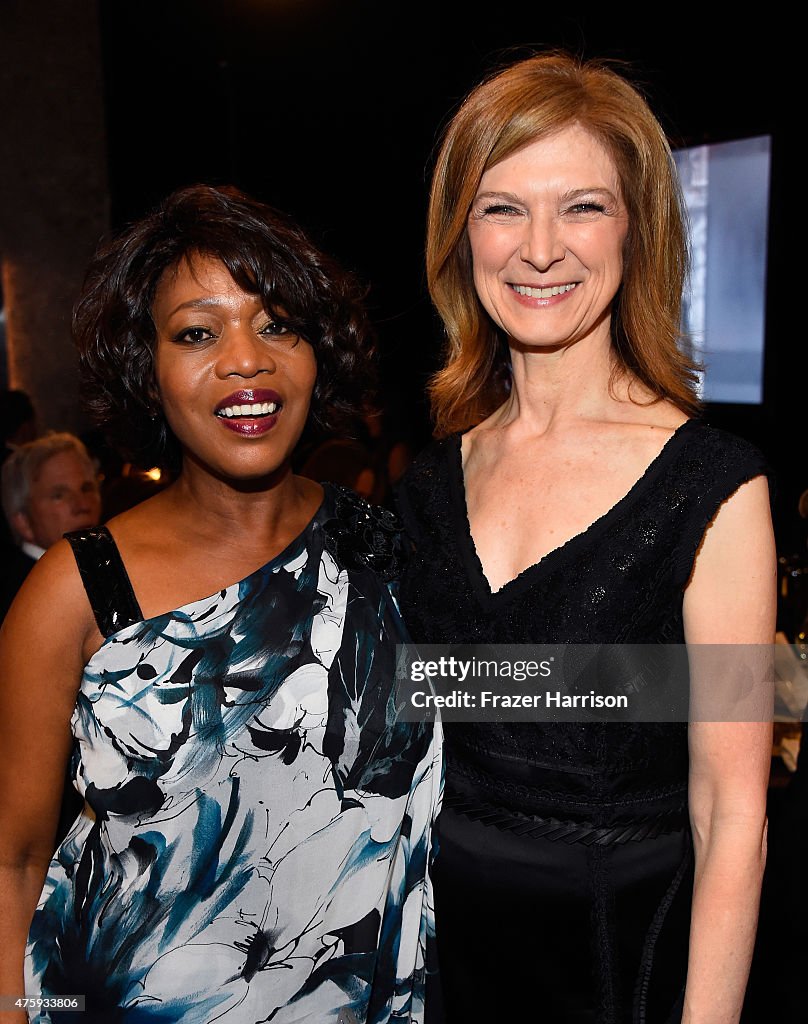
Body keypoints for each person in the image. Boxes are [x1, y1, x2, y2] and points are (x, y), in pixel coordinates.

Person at [0, 185, 441, 1023]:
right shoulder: (75, 589)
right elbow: (12, 858)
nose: (247, 359)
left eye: (278, 324)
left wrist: (744, 685)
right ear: (147, 367)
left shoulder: (393, 556)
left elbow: (525, 692)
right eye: (197, 333)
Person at [395, 53, 775, 1023]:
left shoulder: (716, 486)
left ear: (636, 229)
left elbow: (730, 813)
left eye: (582, 207)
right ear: (459, 233)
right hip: (440, 966)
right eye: (501, 207)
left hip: (615, 968)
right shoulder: (432, 482)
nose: (539, 249)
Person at [1, 432, 102, 622]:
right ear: (23, 521)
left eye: (87, 488)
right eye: (59, 495)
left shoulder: (99, 570)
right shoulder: (22, 599)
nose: (82, 505)